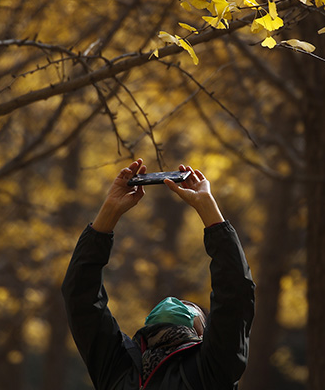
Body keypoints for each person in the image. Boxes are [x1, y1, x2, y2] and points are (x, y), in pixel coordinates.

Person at [62, 159, 255, 390]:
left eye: (188, 306)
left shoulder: (211, 368)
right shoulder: (121, 366)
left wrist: (208, 206)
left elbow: (234, 297)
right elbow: (81, 297)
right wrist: (109, 210)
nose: (174, 301)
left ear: (203, 333)